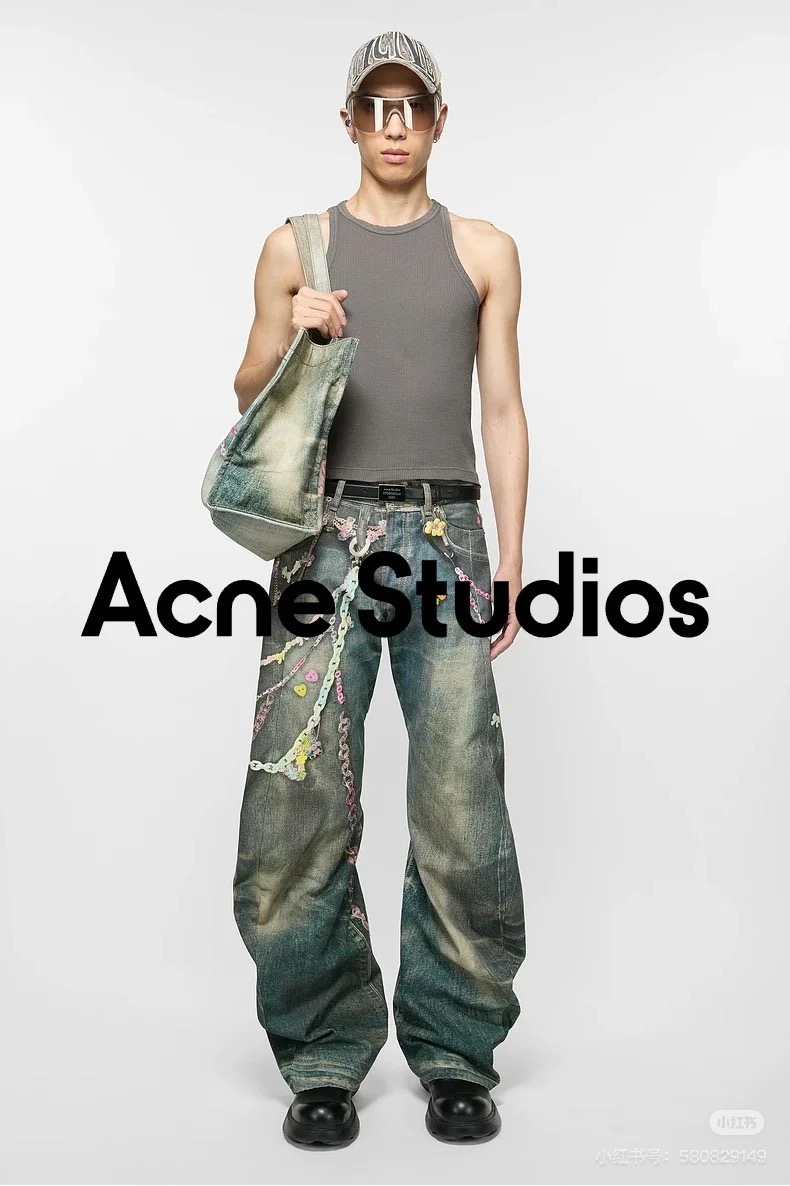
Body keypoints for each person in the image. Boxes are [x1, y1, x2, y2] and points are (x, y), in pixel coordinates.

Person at [231, 29, 529, 1148]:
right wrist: (297, 331)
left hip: (448, 537)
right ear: (350, 121)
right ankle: (322, 1055)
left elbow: (502, 406)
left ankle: (455, 1053)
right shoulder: (296, 244)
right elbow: (247, 386)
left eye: (413, 107)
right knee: (297, 807)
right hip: (323, 541)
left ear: (439, 121)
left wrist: (511, 556)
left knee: (459, 804)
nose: (395, 126)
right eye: (376, 107)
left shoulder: (486, 249)